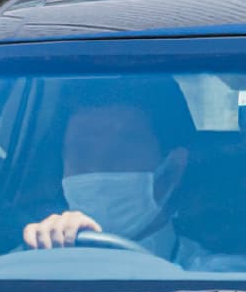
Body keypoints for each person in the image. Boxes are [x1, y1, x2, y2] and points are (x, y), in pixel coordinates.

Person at [22, 102, 201, 262]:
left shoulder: (215, 281)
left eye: (122, 152)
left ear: (172, 169)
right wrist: (49, 254)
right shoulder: (24, 267)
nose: (97, 166)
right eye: (82, 151)